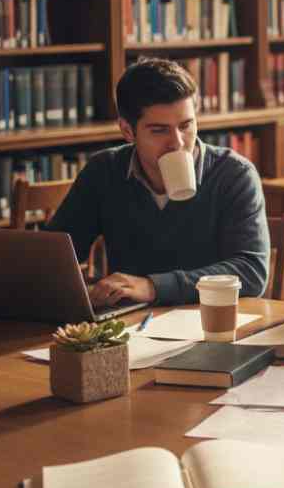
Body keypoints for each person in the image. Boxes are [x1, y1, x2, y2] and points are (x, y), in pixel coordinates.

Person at [47, 57, 270, 307]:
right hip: (130, 324)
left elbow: (251, 272)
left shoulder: (234, 175)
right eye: (159, 130)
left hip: (211, 322)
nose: (177, 142)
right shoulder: (104, 171)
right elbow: (54, 259)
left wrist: (154, 287)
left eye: (186, 126)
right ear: (128, 131)